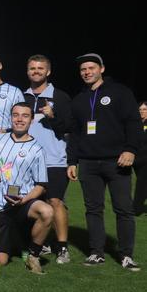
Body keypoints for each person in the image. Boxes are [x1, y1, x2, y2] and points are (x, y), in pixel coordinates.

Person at [66, 53, 141, 271]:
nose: (87, 72)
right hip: (88, 163)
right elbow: (75, 133)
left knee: (123, 209)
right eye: (83, 69)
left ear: (102, 69)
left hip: (117, 161)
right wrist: (72, 161)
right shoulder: (79, 98)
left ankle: (126, 255)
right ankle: (96, 253)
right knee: (93, 209)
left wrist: (130, 149)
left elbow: (133, 123)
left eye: (91, 68)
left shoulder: (120, 92)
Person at [0, 102, 53, 274]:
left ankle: (33, 255)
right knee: (0, 262)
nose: (19, 119)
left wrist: (23, 199)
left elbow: (41, 186)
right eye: (15, 115)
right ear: (10, 118)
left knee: (47, 211)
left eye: (25, 116)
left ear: (31, 120)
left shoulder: (37, 149)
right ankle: (17, 246)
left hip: (23, 204)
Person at [23, 54, 73, 263]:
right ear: (28, 71)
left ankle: (62, 248)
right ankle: (40, 243)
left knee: (55, 201)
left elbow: (70, 128)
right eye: (32, 68)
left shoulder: (60, 96)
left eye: (40, 68)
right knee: (34, 203)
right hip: (27, 159)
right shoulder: (21, 96)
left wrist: (53, 117)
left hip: (54, 159)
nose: (36, 71)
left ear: (48, 71)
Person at [134, 101, 147, 215]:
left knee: (141, 183)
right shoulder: (136, 124)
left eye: (144, 109)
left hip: (145, 159)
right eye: (140, 109)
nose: (142, 111)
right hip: (136, 159)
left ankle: (136, 208)